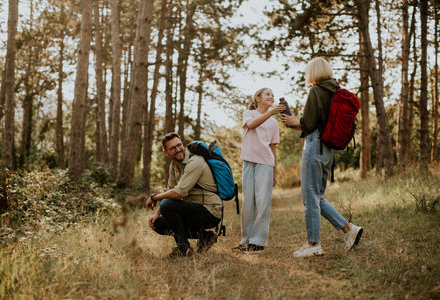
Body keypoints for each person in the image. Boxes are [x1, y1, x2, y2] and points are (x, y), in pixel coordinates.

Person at [282, 57, 363, 258]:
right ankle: (348, 230)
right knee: (316, 197)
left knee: (310, 197)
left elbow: (308, 124)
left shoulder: (316, 90)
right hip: (328, 150)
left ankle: (313, 244)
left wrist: (292, 121)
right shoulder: (335, 90)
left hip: (314, 145)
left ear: (313, 73)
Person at [145, 132, 222, 258]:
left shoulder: (195, 162)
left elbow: (177, 194)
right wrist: (156, 213)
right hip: (193, 210)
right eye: (172, 148)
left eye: (179, 145)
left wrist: (154, 197)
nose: (178, 150)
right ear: (166, 153)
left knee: (167, 204)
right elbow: (170, 192)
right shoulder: (174, 166)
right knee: (158, 224)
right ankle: (206, 236)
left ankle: (183, 248)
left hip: (210, 211)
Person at [232, 88, 285, 253]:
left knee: (263, 203)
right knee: (248, 203)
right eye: (268, 94)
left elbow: (273, 149)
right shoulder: (249, 113)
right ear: (258, 98)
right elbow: (252, 125)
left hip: (265, 164)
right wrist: (271, 113)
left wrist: (275, 172)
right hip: (249, 162)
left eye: (273, 94)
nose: (271, 96)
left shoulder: (274, 123)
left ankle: (258, 243)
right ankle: (245, 241)